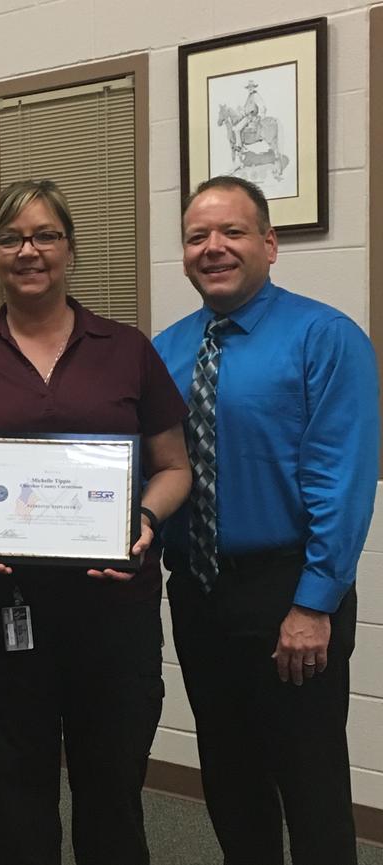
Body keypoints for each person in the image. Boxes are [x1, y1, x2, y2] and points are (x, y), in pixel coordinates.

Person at [0, 179, 191, 865]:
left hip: (113, 611)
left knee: (113, 794)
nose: (28, 250)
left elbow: (175, 467)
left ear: (70, 248)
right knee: (16, 799)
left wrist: (146, 516)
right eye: (12, 237)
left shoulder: (126, 349)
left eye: (44, 235)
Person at [153, 175, 378, 865]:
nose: (213, 247)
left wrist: (314, 602)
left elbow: (342, 481)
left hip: (290, 591)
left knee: (309, 783)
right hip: (198, 589)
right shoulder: (163, 350)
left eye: (232, 232)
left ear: (270, 244)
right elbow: (144, 471)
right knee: (229, 775)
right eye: (197, 236)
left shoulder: (326, 337)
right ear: (184, 252)